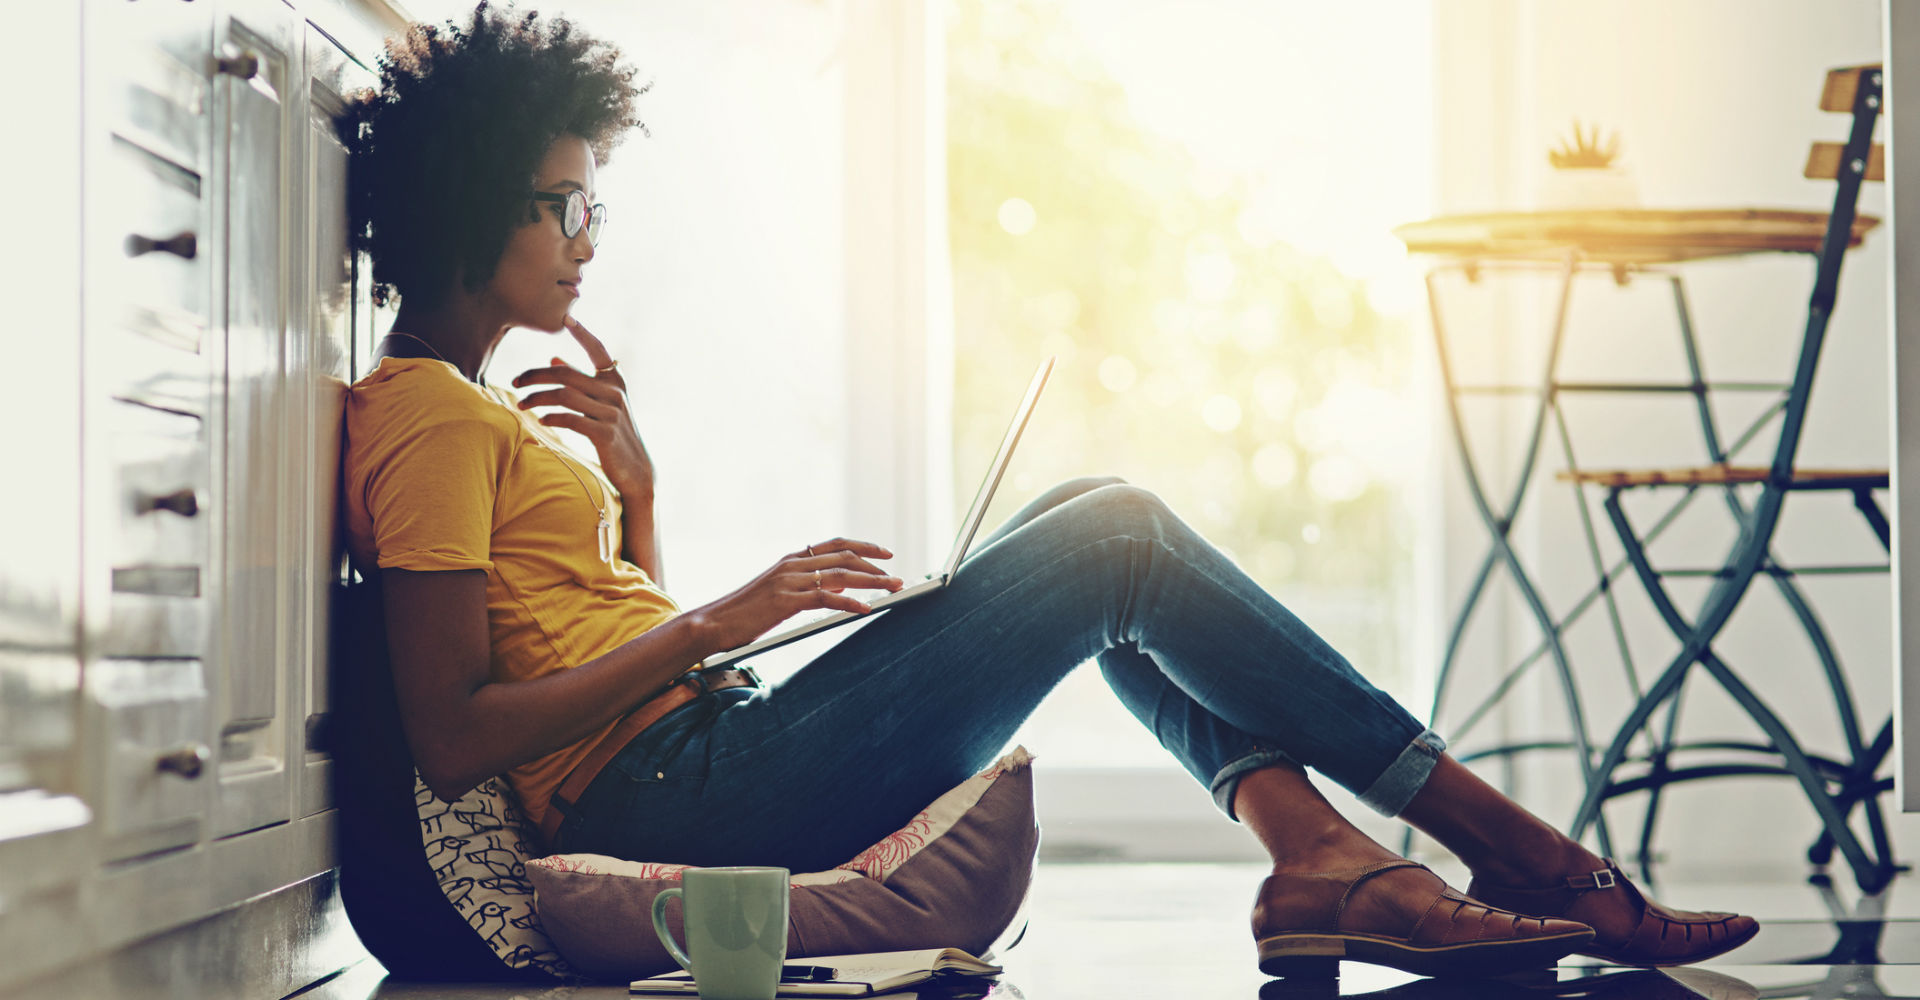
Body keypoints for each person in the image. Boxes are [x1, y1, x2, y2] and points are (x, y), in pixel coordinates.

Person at [339, 2, 1757, 980]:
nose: (590, 238)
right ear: (478, 202)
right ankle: (1498, 839)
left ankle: (1317, 847)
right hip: (686, 797)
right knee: (1118, 537)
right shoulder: (430, 421)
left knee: (1099, 525)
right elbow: (459, 737)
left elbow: (570, 636)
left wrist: (636, 502)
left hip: (707, 755)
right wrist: (716, 617)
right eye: (568, 205)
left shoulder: (464, 413)